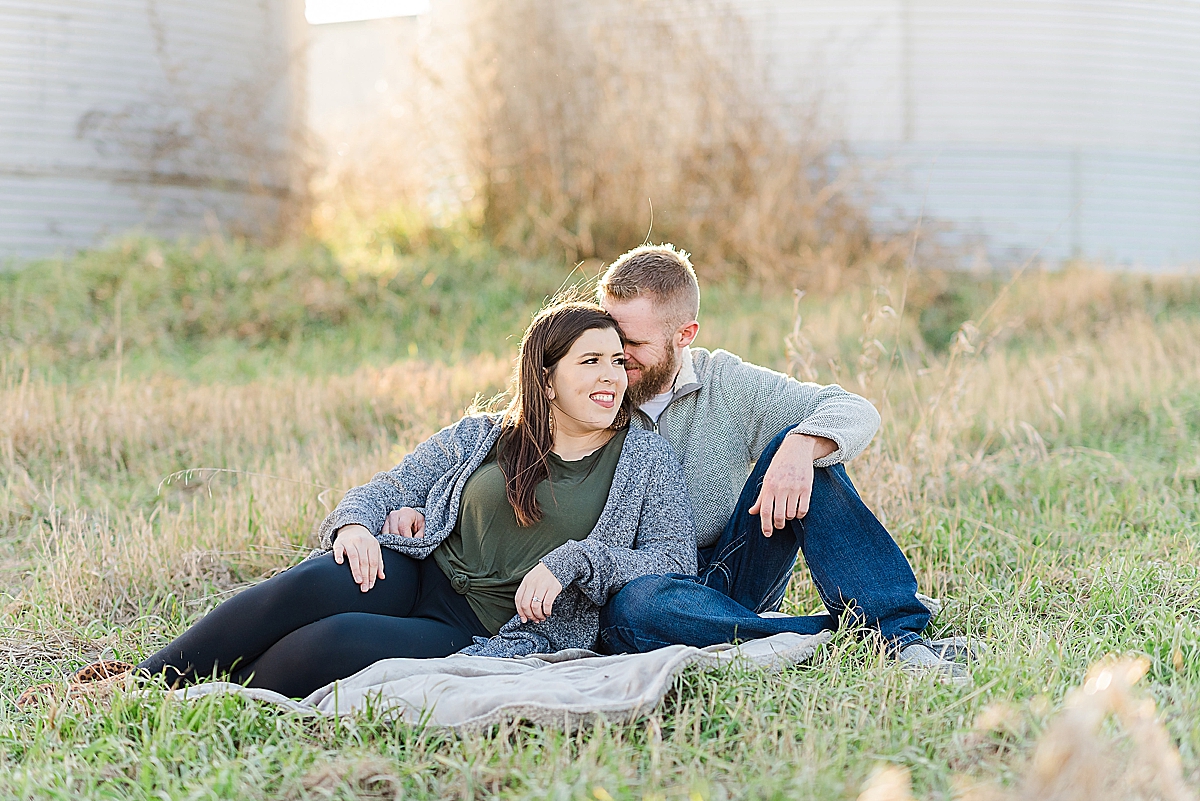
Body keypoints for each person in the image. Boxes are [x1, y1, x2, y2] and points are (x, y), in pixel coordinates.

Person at [133, 302, 697, 698]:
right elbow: (390, 487)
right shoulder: (485, 434)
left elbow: (674, 562)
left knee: (332, 643)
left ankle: (206, 701)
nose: (611, 376)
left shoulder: (646, 460)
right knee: (297, 589)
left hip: (481, 625)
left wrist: (577, 559)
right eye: (590, 361)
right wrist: (355, 526)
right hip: (416, 569)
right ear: (546, 380)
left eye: (617, 361)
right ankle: (142, 681)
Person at [590, 244, 964, 678]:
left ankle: (898, 636)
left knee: (806, 449)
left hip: (734, 569)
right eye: (611, 338)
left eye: (634, 343)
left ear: (685, 334)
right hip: (645, 590)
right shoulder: (591, 386)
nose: (618, 355)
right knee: (635, 607)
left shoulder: (726, 383)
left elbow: (854, 409)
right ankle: (843, 635)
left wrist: (800, 447)